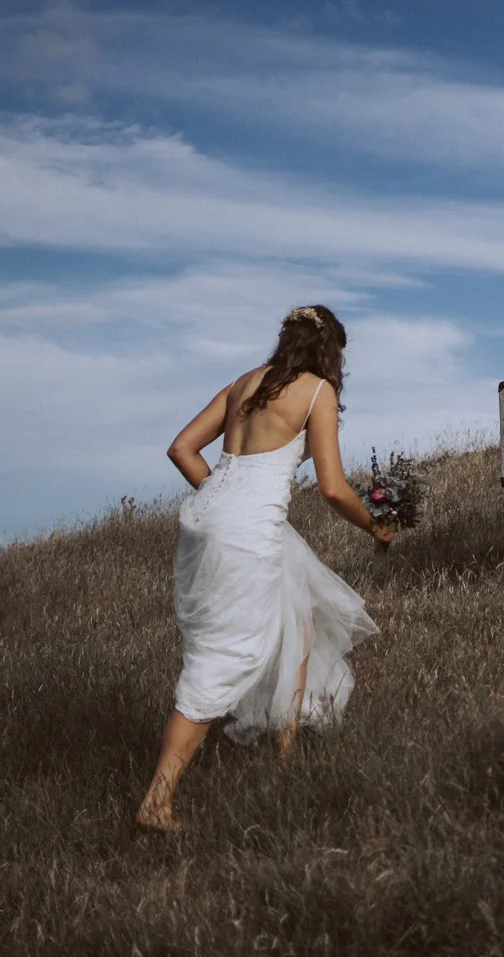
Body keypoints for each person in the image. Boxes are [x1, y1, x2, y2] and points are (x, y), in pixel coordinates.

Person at [134, 305, 393, 833]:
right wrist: (375, 527)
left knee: (298, 615)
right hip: (247, 532)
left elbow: (182, 448)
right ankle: (157, 801)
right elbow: (333, 488)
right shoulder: (318, 392)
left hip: (209, 519)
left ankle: (285, 754)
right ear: (330, 351)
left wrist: (222, 499)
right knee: (227, 656)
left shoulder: (243, 385)